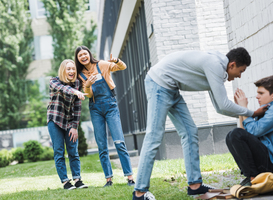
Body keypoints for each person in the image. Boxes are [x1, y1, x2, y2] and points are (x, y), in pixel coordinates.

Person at [132, 47, 268, 200]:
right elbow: (223, 105)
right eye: (241, 71)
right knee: (154, 136)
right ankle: (140, 192)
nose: (239, 76)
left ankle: (195, 185)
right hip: (159, 84)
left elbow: (219, 107)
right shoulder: (214, 65)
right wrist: (253, 113)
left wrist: (246, 113)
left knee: (190, 132)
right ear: (232, 65)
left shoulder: (218, 68)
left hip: (171, 88)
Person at [74, 46, 135, 187]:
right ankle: (108, 179)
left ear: (89, 54)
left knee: (119, 142)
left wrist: (117, 60)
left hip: (110, 105)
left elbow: (123, 67)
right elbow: (88, 95)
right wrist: (88, 85)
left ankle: (130, 177)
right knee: (102, 145)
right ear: (78, 59)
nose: (83, 56)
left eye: (85, 53)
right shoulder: (80, 74)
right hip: (95, 108)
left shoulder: (101, 64)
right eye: (80, 55)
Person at [47, 59, 88, 190]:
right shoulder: (54, 81)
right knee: (59, 151)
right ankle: (65, 182)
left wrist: (74, 127)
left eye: (73, 69)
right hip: (55, 120)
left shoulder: (77, 83)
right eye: (68, 69)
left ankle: (77, 180)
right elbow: (62, 88)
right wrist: (75, 92)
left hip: (70, 121)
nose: (71, 71)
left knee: (73, 151)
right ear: (63, 70)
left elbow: (77, 107)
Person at [226, 75, 273, 186]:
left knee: (236, 134)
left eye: (261, 93)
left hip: (270, 164)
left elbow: (255, 131)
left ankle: (254, 178)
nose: (257, 97)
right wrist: (241, 110)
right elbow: (244, 134)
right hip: (265, 161)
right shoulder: (265, 110)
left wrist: (245, 110)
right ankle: (252, 176)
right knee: (231, 135)